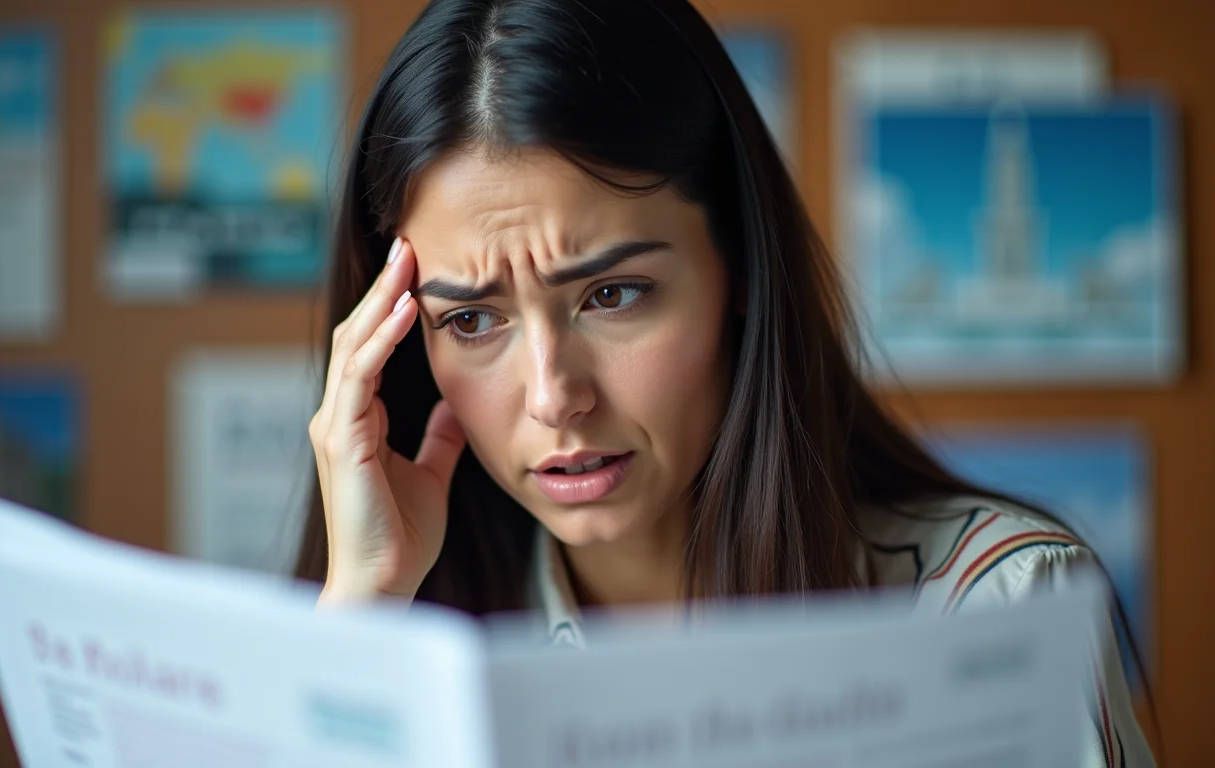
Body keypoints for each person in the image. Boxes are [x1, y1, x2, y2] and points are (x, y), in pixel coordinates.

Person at [296, 1, 1155, 764]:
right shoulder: (398, 641)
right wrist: (363, 616)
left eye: (612, 295)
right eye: (471, 320)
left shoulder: (994, 615)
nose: (554, 396)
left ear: (739, 265)